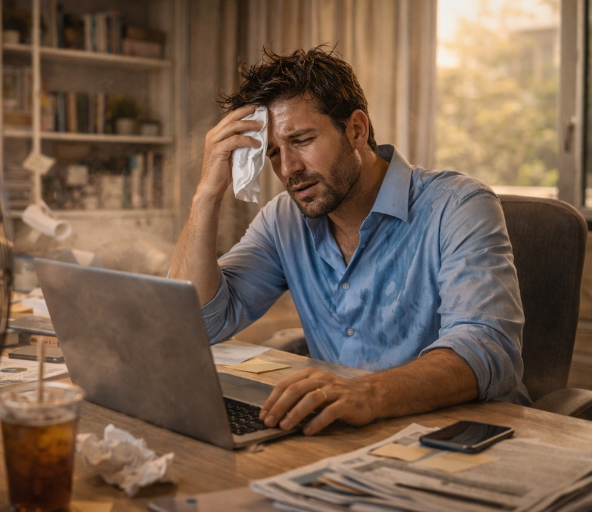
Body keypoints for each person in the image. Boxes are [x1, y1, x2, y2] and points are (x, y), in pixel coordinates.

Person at [169, 46, 529, 437]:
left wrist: (367, 394)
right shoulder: (282, 219)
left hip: (466, 436)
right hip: (349, 436)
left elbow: (487, 348)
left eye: (302, 140)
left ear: (356, 129)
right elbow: (197, 325)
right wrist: (206, 194)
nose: (288, 169)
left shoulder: (458, 205)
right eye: (272, 153)